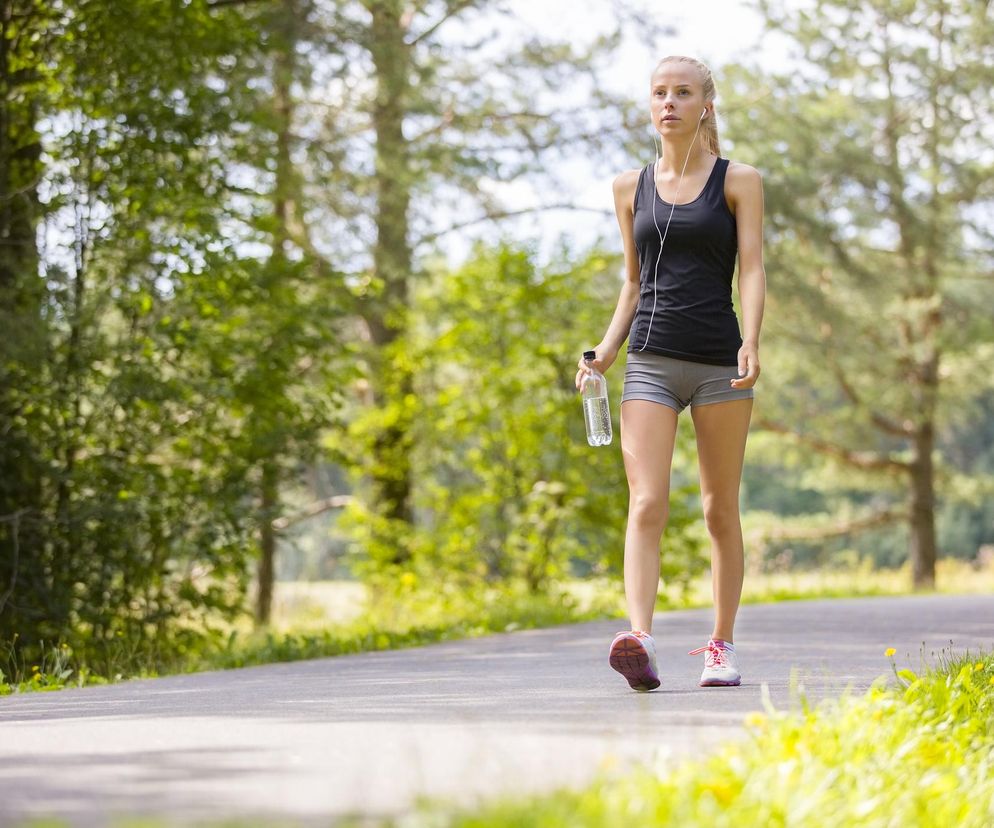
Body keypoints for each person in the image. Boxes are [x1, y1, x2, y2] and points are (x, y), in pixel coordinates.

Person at [575, 55, 766, 692]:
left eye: (683, 93)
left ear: (704, 105)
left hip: (719, 362)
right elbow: (632, 283)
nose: (669, 104)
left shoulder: (739, 181)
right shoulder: (630, 188)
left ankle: (721, 646)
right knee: (648, 501)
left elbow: (753, 269)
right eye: (660, 93)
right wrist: (603, 353)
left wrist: (754, 341)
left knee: (719, 510)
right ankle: (641, 639)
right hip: (651, 360)